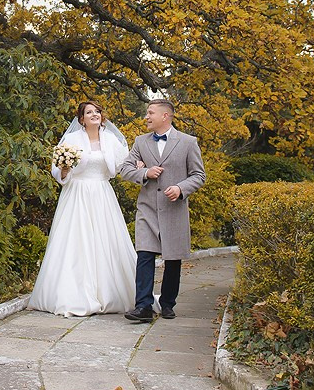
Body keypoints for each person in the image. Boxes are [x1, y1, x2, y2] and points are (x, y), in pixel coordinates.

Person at [28, 101, 137, 316]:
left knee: (105, 241)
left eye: (97, 111)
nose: (94, 114)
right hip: (77, 195)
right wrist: (65, 171)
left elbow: (123, 166)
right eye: (89, 112)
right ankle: (73, 295)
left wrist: (138, 167)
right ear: (82, 119)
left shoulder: (111, 139)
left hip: (102, 194)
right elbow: (57, 170)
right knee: (76, 242)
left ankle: (110, 294)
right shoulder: (71, 139)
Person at [117, 98, 206, 322]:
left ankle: (167, 304)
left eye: (150, 113)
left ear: (165, 116)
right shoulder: (140, 142)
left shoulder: (188, 142)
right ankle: (143, 306)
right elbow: (125, 169)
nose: (146, 117)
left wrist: (180, 188)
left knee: (173, 259)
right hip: (147, 209)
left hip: (174, 210)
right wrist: (145, 173)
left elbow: (199, 175)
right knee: (144, 256)